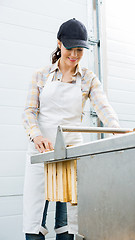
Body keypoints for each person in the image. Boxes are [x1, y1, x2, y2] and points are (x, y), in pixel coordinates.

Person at [22, 18, 120, 240]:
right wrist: (36, 136)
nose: (74, 55)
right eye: (70, 48)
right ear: (59, 43)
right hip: (41, 153)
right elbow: (29, 112)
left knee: (68, 224)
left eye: (80, 49)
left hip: (71, 153)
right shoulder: (41, 75)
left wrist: (116, 129)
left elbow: (104, 107)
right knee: (34, 220)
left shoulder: (87, 78)